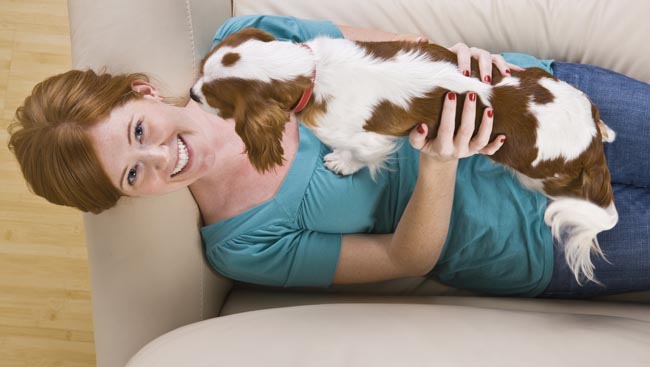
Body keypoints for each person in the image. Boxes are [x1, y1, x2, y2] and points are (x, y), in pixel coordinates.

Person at [7, 15, 649, 298]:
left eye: (139, 131)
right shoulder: (242, 242)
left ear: (142, 91)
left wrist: (466, 60)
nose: (160, 158)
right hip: (528, 240)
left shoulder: (247, 42)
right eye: (132, 173)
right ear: (128, 195)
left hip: (540, 102)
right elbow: (407, 259)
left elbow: (405, 50)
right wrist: (438, 163)